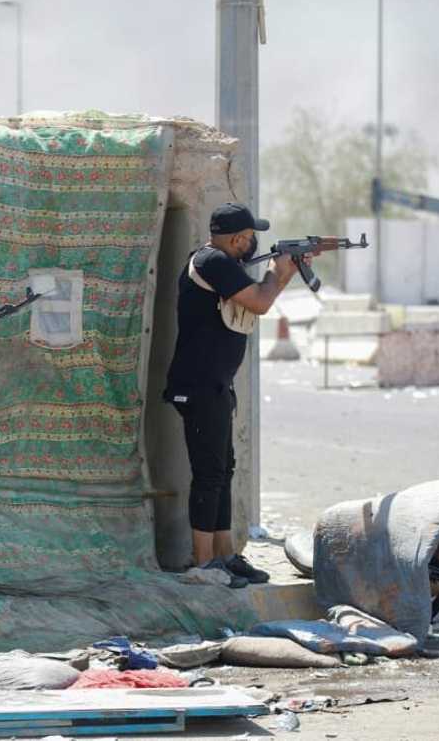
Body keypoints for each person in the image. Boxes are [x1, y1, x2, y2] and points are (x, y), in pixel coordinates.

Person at [163, 202, 304, 588]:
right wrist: (281, 272)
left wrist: (283, 270)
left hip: (215, 385)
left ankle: (225, 557)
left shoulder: (225, 265)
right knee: (209, 474)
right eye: (246, 237)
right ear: (234, 238)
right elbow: (259, 301)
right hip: (197, 385)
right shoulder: (212, 261)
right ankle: (203, 563)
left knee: (223, 470)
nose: (251, 243)